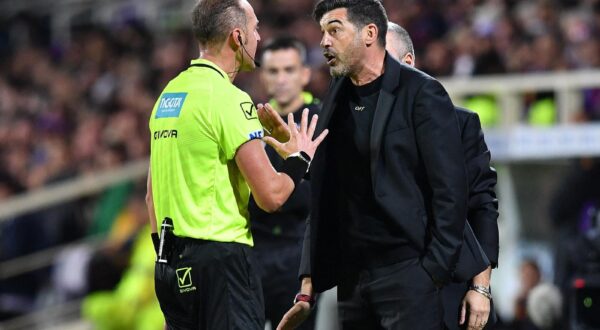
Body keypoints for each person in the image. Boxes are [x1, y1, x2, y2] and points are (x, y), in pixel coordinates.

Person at [276, 0, 469, 329]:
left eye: (334, 30)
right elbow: (327, 194)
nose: (323, 42)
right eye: (322, 32)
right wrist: (308, 280)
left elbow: (451, 190)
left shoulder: (421, 92)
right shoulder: (335, 100)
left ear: (369, 33)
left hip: (408, 275)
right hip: (352, 281)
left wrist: (432, 272)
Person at [145, 0, 328, 329]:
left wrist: (170, 257)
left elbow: (151, 198)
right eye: (255, 28)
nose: (259, 36)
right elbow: (271, 197)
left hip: (169, 265)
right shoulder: (230, 100)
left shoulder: (167, 97)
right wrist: (300, 157)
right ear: (237, 37)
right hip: (222, 265)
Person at [386, 22, 499, 330]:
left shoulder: (459, 124)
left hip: (449, 292)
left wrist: (480, 287)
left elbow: (482, 205)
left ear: (408, 63)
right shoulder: (355, 130)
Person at [248, 36, 319, 330]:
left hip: (299, 250)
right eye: (273, 71)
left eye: (289, 70)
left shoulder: (323, 118)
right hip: (254, 250)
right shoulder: (249, 121)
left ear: (304, 74)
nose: (281, 79)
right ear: (263, 76)